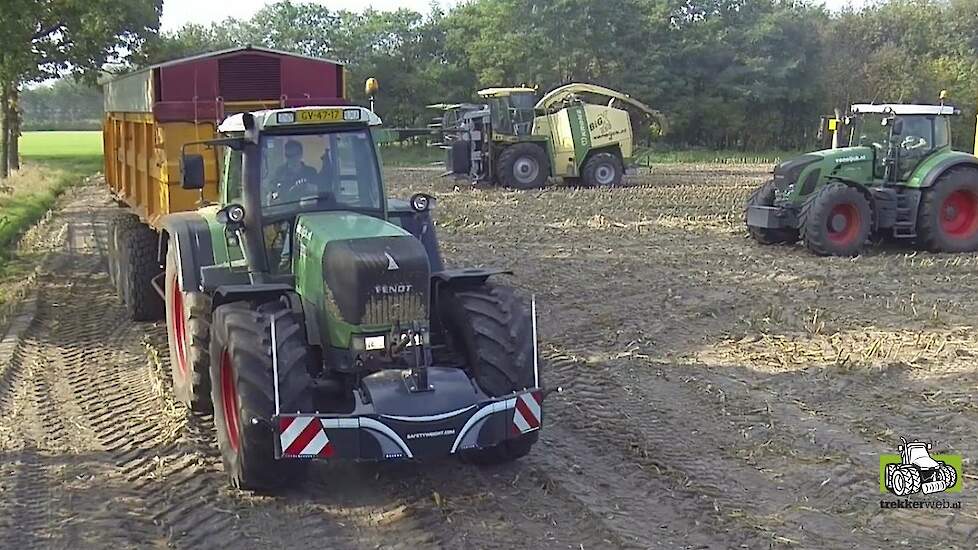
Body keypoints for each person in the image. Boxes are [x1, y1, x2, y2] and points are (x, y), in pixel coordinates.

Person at [267, 140, 318, 204]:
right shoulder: (280, 173)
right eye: (288, 156)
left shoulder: (311, 172)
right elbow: (272, 192)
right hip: (286, 209)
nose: (292, 158)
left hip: (307, 209)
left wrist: (306, 187)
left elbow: (319, 190)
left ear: (301, 154)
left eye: (295, 154)